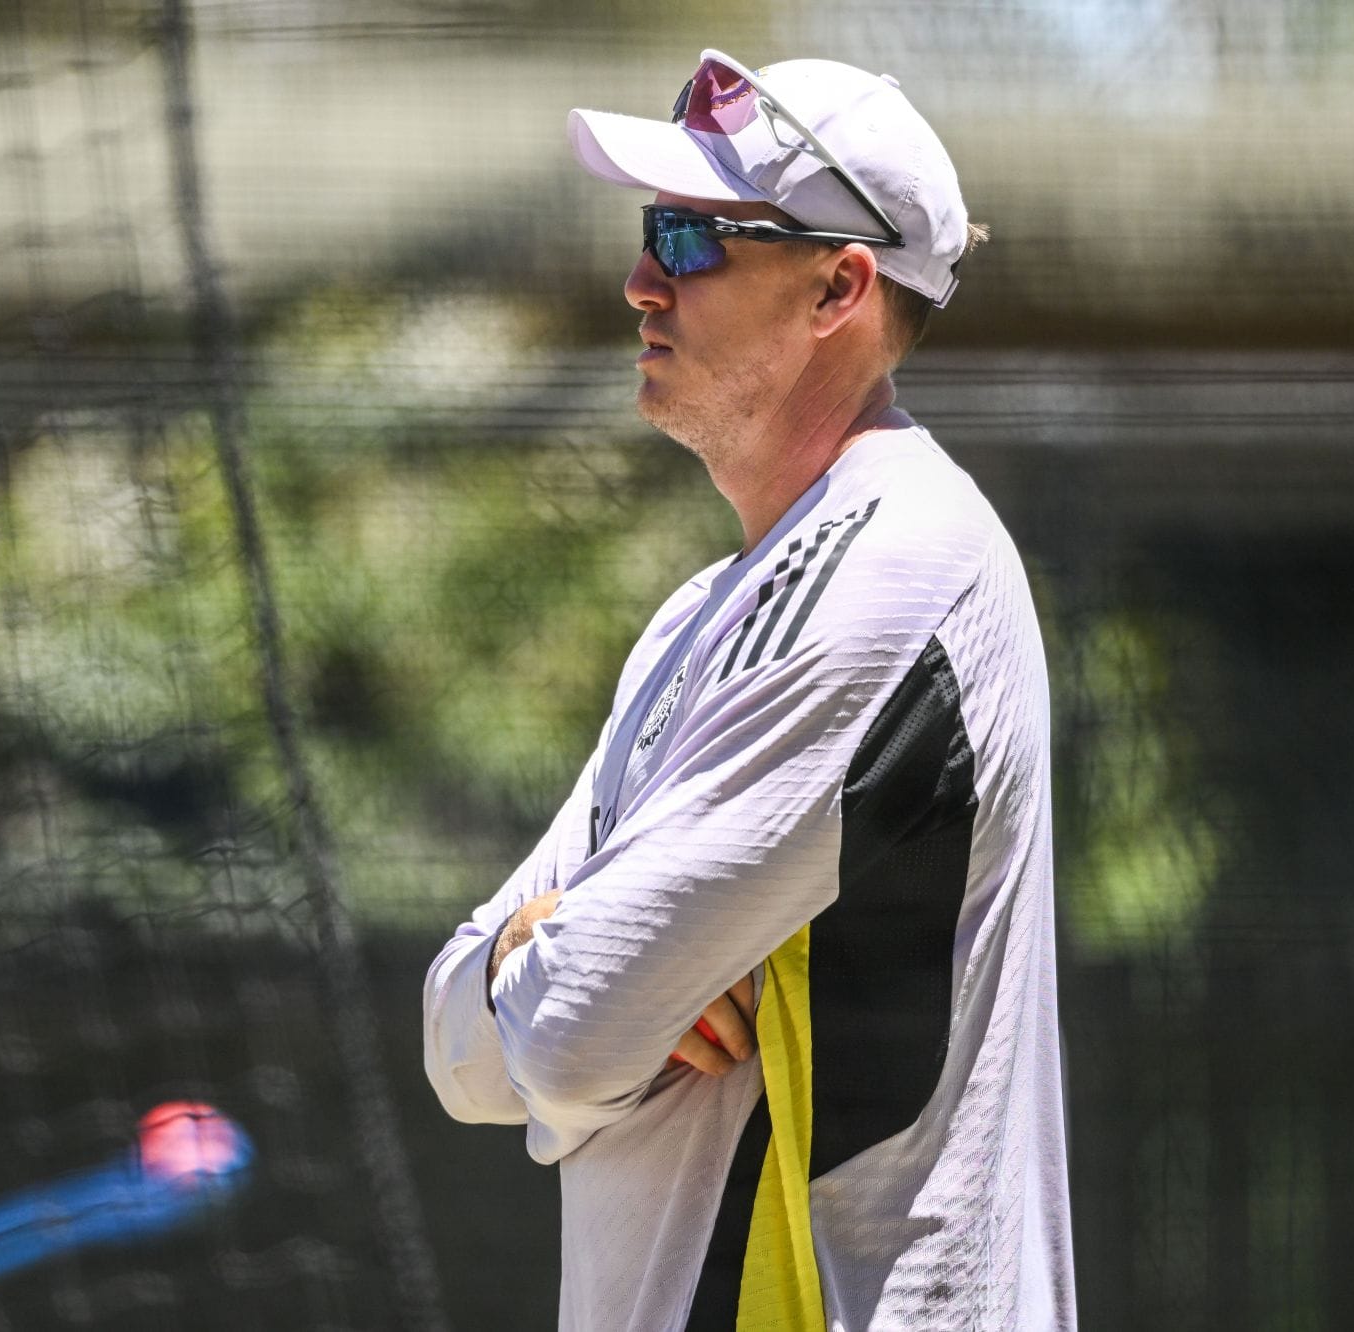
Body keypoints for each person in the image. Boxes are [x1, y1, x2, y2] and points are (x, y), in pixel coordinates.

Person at [422, 50, 1075, 1330]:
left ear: (839, 285)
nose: (639, 279)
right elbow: (458, 1038)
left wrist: (562, 991)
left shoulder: (901, 557)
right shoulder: (699, 615)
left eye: (690, 237)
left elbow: (555, 1041)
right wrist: (525, 955)